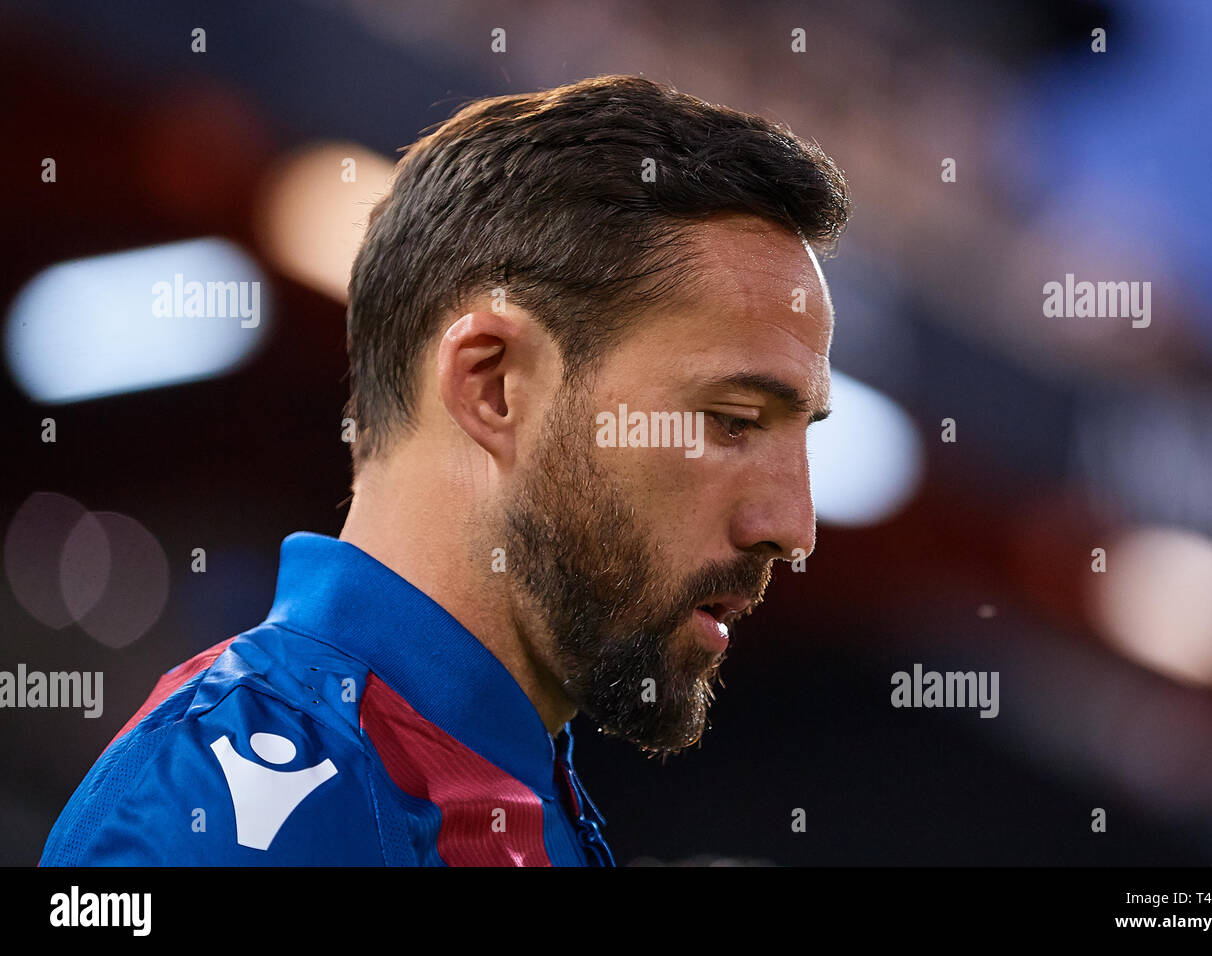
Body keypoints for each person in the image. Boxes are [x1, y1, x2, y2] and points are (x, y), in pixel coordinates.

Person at [40, 74, 851, 866]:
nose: (794, 526)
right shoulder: (234, 809)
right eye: (732, 421)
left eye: (801, 436)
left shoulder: (509, 792)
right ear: (492, 384)